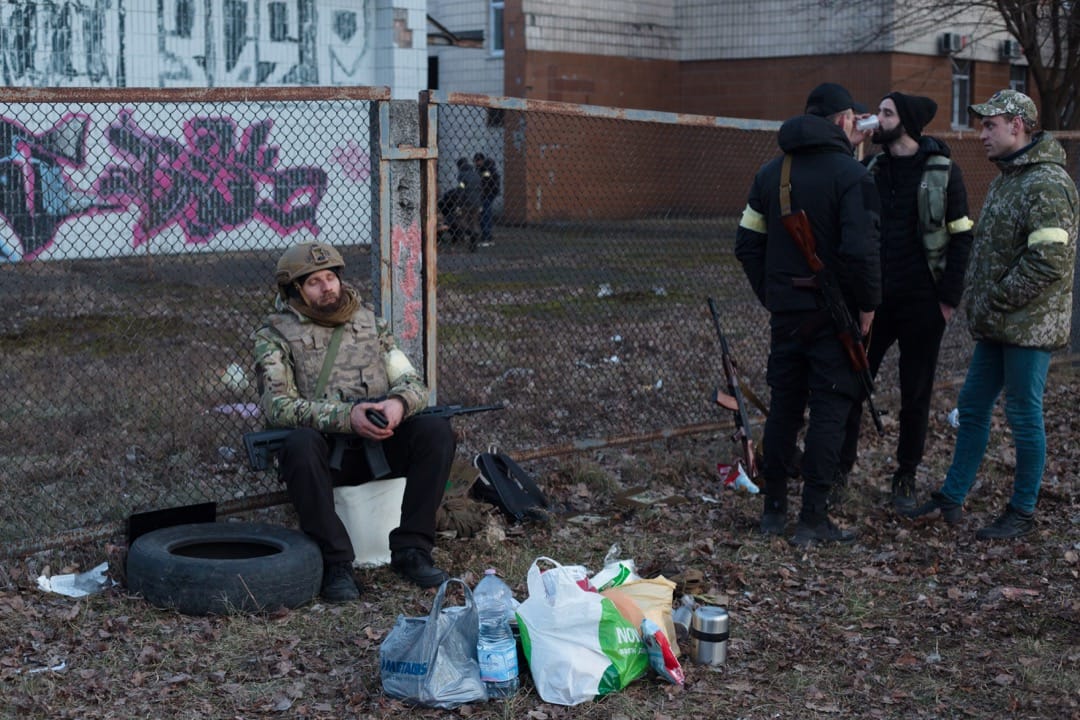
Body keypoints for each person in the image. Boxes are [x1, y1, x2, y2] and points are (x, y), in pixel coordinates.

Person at [903, 90, 1077, 539]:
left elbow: (1049, 260)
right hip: (999, 323)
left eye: (990, 125)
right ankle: (951, 499)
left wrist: (995, 298)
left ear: (1017, 126)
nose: (981, 134)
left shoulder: (1046, 183)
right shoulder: (1007, 179)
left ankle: (1022, 511)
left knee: (1023, 414)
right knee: (973, 407)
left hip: (1028, 325)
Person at [252, 242, 456, 601]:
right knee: (298, 445)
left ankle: (412, 550)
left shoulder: (370, 324)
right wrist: (348, 417)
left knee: (435, 431)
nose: (327, 286)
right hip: (327, 458)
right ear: (294, 290)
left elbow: (413, 383)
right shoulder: (274, 337)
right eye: (313, 282)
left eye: (331, 277)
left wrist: (396, 403)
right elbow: (279, 406)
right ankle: (335, 564)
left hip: (380, 442)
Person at [735, 82, 882, 546]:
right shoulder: (853, 177)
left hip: (788, 316)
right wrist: (867, 307)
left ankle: (773, 511)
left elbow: (747, 244)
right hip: (833, 318)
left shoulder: (770, 174)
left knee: (783, 409)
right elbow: (861, 254)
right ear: (843, 121)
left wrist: (774, 295)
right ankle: (813, 518)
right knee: (829, 411)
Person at [837, 92, 974, 512]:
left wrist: (947, 300)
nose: (877, 119)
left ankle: (905, 475)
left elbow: (962, 234)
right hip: (873, 303)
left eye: (886, 113)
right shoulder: (871, 167)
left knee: (916, 393)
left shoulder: (944, 171)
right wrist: (851, 144)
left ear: (907, 123)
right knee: (854, 384)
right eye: (878, 112)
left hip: (922, 303)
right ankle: (840, 469)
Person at [456, 157, 483, 250]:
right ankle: (474, 240)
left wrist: (459, 203)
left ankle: (471, 234)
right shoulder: (476, 174)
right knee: (474, 221)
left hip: (466, 201)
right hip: (477, 201)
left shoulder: (462, 175)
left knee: (462, 220)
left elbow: (461, 189)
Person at [474, 152, 500, 247]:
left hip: (486, 195)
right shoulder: (484, 169)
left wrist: (482, 193)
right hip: (487, 195)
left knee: (485, 215)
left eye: (477, 161)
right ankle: (487, 236)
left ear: (481, 160)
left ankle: (487, 236)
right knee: (485, 215)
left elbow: (485, 183)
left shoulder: (486, 169)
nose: (476, 163)